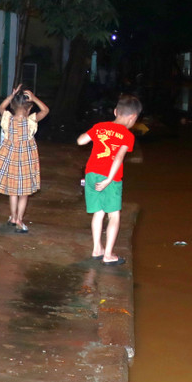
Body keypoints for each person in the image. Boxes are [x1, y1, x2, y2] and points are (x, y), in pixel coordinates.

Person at [77, 93, 141, 265]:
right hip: (110, 178)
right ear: (133, 117)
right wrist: (108, 179)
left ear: (115, 111)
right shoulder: (128, 136)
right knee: (114, 216)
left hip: (91, 174)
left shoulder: (100, 127)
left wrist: (94, 132)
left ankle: (97, 249)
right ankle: (108, 255)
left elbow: (81, 141)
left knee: (98, 213)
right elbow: (119, 158)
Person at [0, 85, 49, 232]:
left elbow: (1, 107)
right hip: (26, 159)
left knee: (13, 191)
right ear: (29, 109)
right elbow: (46, 110)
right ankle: (19, 220)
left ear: (13, 107)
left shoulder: (7, 118)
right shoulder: (31, 121)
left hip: (9, 158)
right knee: (24, 192)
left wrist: (11, 96)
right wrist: (34, 98)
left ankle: (13, 216)